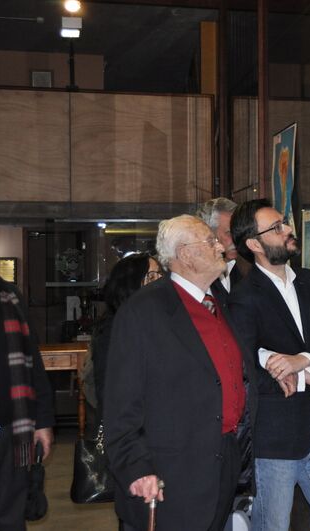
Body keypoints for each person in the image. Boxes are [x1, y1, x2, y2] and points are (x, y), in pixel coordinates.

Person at [103, 215, 258, 531]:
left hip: (223, 460)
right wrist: (136, 467)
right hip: (170, 473)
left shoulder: (219, 302)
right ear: (185, 253)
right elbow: (121, 405)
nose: (222, 246)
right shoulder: (144, 311)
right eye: (211, 241)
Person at [228, 199, 310, 531]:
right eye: (277, 227)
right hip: (275, 436)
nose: (287, 231)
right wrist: (303, 379)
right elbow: (244, 372)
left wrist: (302, 361)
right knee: (273, 526)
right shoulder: (243, 298)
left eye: (284, 223)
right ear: (254, 244)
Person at [0, 231, 54, 531]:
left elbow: (32, 361)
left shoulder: (9, 295)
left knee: (8, 516)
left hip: (12, 430)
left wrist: (44, 421)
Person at [91, 253, 163, 416]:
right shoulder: (114, 328)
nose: (159, 281)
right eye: (151, 276)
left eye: (160, 274)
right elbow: (112, 392)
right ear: (131, 284)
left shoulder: (155, 321)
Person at [197, 197, 243, 300]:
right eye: (229, 233)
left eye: (237, 232)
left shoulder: (244, 271)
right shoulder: (195, 276)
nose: (236, 238)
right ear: (209, 234)